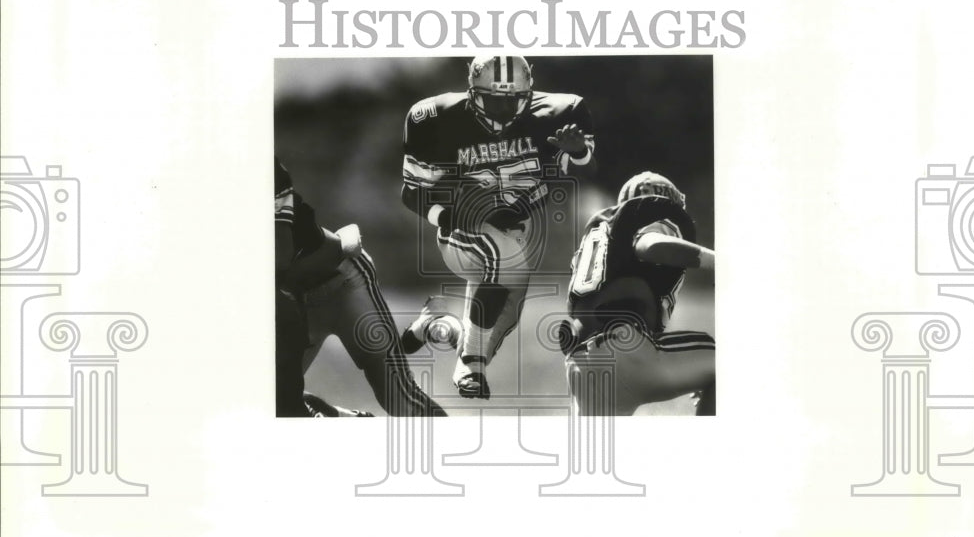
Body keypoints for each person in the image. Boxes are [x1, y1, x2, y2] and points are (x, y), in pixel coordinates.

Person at [401, 54, 596, 400]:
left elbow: (582, 166)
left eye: (511, 102)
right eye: (492, 100)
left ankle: (436, 325)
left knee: (492, 327)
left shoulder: (561, 112)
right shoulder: (435, 117)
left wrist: (578, 150)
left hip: (517, 233)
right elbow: (411, 194)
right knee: (503, 261)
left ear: (529, 92)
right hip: (461, 232)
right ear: (472, 91)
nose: (501, 111)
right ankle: (473, 366)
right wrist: (455, 217)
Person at [275, 157, 446, 417]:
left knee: (400, 400)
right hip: (293, 300)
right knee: (276, 404)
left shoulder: (262, 171)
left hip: (341, 281)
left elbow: (279, 258)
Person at [560, 171, 716, 416]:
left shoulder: (600, 234)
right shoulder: (652, 217)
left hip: (579, 363)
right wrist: (719, 262)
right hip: (625, 349)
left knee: (595, 451)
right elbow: (651, 245)